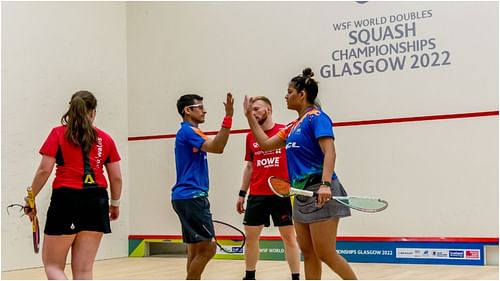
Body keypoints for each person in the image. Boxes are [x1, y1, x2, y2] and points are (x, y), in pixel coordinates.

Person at [243, 68, 358, 280]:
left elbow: (329, 151)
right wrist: (250, 117)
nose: (285, 96)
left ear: (302, 94)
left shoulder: (317, 118)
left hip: (321, 192)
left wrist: (325, 184)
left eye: (289, 92)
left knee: (326, 253)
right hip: (302, 194)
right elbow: (265, 144)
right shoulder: (292, 126)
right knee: (308, 252)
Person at [24, 90, 123, 279]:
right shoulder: (106, 138)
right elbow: (116, 177)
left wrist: (31, 199)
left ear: (71, 109)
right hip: (97, 201)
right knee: (84, 270)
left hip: (66, 200)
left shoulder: (58, 133)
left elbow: (44, 169)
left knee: (53, 265)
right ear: (93, 112)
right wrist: (115, 204)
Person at [236, 96, 301, 280]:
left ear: (269, 110)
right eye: (251, 110)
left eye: (257, 109)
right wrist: (242, 193)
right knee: (251, 238)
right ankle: (249, 276)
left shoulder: (284, 132)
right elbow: (249, 166)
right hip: (257, 194)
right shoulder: (250, 137)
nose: (253, 113)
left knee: (289, 237)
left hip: (282, 194)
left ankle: (295, 277)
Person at [172, 93, 234, 280]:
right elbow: (218, 147)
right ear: (187, 110)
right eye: (200, 106)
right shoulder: (189, 131)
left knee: (195, 249)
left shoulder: (188, 132)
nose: (204, 110)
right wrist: (228, 117)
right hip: (192, 197)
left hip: (184, 197)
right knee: (208, 248)